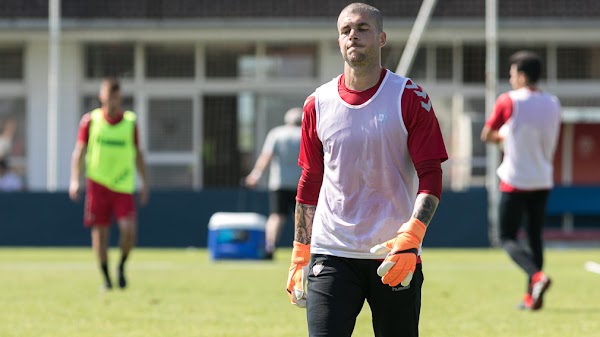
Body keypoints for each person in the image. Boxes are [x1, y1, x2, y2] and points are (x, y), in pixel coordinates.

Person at [286, 3, 448, 336]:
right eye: (345, 30)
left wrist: (412, 235)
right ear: (338, 41)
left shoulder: (409, 97)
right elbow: (310, 181)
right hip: (331, 252)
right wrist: (301, 251)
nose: (353, 36)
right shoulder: (317, 103)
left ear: (382, 37)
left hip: (393, 253)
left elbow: (430, 175)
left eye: (362, 28)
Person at [481, 51, 561, 311]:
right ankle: (532, 297)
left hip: (515, 179)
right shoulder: (553, 102)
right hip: (543, 178)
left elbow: (487, 134)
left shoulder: (509, 101)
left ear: (522, 76)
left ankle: (537, 277)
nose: (510, 78)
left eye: (513, 74)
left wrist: (504, 139)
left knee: (505, 236)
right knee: (535, 237)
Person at [69, 77, 149, 291]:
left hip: (123, 185)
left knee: (128, 230)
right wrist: (75, 180)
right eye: (108, 95)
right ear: (101, 96)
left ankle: (121, 266)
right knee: (100, 235)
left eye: (115, 95)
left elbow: (138, 155)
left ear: (119, 97)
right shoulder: (90, 121)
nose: (112, 100)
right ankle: (106, 278)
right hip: (97, 185)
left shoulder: (130, 122)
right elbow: (79, 152)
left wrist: (145, 182)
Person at [245, 107, 303, 260]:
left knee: (276, 216)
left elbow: (266, 157)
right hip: (301, 183)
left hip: (279, 183)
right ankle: (303, 249)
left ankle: (270, 247)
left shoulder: (277, 133)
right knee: (302, 217)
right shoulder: (305, 133)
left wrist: (255, 175)